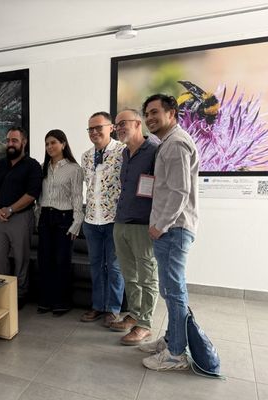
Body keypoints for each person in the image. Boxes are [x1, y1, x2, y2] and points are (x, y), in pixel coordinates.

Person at [139, 94, 199, 371]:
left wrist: (160, 225)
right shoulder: (168, 142)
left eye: (155, 112)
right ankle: (171, 339)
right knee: (169, 289)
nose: (149, 118)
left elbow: (179, 191)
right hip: (170, 229)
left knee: (173, 291)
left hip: (173, 229)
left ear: (172, 113)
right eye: (147, 113)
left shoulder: (175, 144)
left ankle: (176, 354)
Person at [109, 109, 161, 345]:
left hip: (143, 224)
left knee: (147, 276)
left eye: (123, 123)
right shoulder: (124, 153)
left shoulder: (155, 150)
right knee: (129, 275)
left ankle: (145, 324)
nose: (119, 128)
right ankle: (134, 314)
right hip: (121, 222)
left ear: (138, 123)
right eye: (117, 125)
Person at [80, 112, 126, 327]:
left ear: (111, 128)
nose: (94, 132)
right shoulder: (86, 156)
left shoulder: (123, 151)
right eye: (90, 129)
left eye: (99, 127)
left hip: (114, 220)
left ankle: (113, 309)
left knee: (115, 268)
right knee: (96, 266)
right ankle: (98, 306)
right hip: (91, 220)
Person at [0, 127, 42, 309]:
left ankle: (20, 293)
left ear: (24, 142)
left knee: (21, 258)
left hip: (21, 217)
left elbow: (32, 194)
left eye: (14, 140)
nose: (10, 144)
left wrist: (11, 209)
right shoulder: (0, 165)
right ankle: (2, 293)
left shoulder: (32, 166)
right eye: (8, 140)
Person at [36, 129, 84, 317]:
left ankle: (61, 302)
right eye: (47, 144)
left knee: (61, 261)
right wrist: (38, 216)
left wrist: (76, 223)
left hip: (64, 218)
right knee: (45, 260)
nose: (50, 147)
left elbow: (77, 197)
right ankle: (45, 300)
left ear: (63, 144)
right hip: (45, 217)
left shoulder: (74, 169)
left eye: (53, 142)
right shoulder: (43, 167)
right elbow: (40, 197)